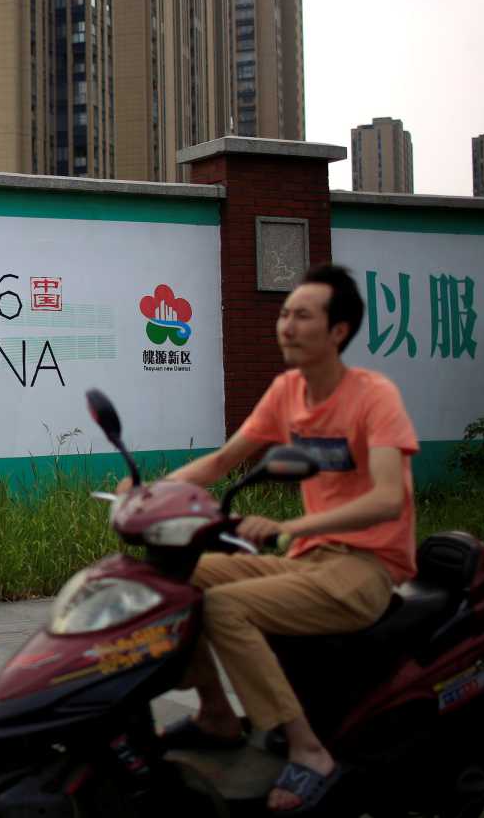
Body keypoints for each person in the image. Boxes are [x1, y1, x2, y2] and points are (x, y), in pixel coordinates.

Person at [117, 263, 418, 813]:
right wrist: (149, 494)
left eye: (302, 316)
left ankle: (309, 752)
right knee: (175, 576)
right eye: (284, 314)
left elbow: (386, 499)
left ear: (338, 331)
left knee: (225, 607)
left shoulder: (374, 396)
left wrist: (289, 527)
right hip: (309, 560)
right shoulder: (287, 391)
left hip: (367, 567)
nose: (286, 325)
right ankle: (216, 713)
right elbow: (223, 461)